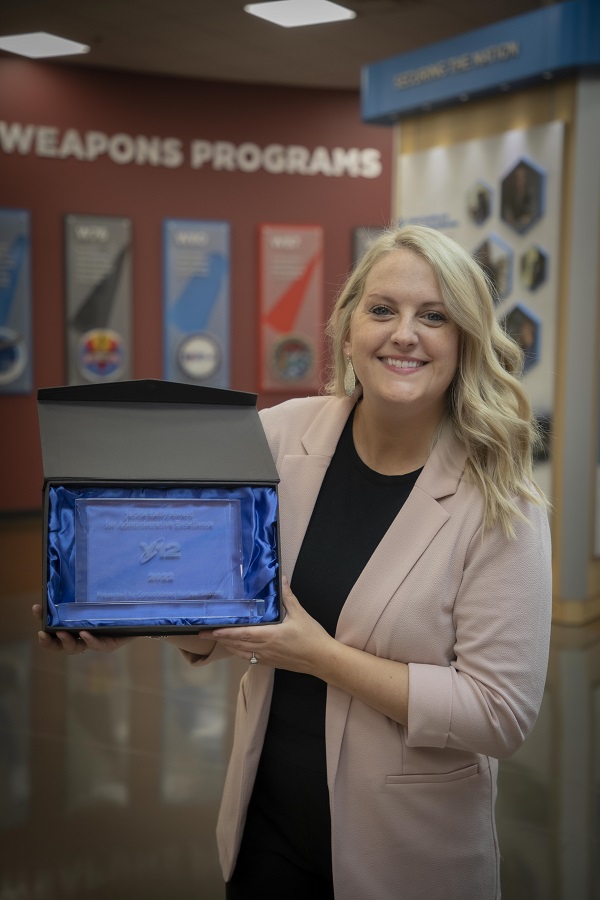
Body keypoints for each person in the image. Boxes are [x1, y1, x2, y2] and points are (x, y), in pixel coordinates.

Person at [34, 224, 552, 900]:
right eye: (382, 309)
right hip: (267, 830)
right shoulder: (282, 436)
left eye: (435, 316)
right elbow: (234, 602)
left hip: (405, 855)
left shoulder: (499, 498)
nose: (405, 333)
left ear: (466, 341)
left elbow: (499, 714)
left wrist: (322, 655)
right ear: (348, 325)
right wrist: (116, 613)